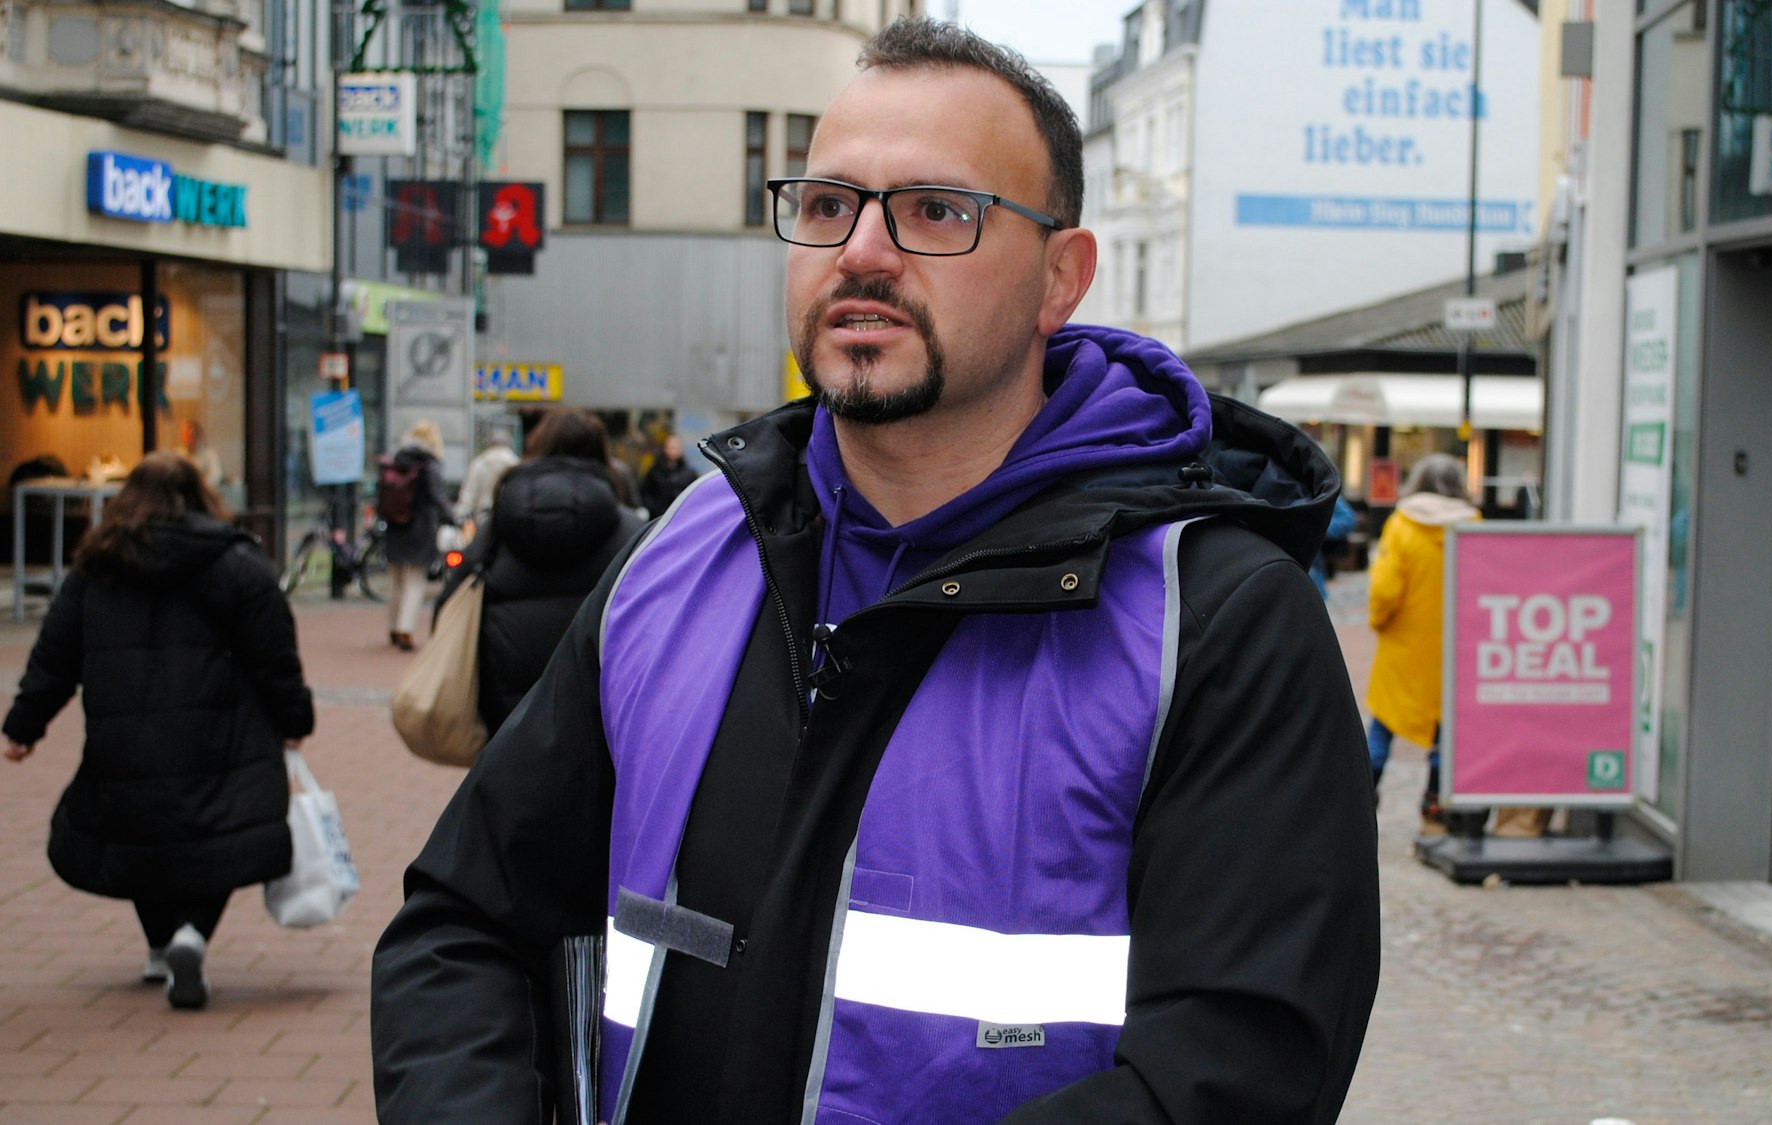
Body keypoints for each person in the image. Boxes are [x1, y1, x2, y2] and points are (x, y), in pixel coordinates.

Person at [372, 19, 1378, 1125]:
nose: (860, 250)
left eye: (935, 212)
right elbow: (462, 924)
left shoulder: (1218, 622)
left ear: (1059, 278)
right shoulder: (685, 553)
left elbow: (1235, 1080)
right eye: (825, 204)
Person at [2, 452, 313, 1010]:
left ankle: (157, 945)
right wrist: (294, 720)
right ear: (200, 496)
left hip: (123, 732)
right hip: (219, 729)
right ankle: (192, 932)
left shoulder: (98, 566)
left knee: (138, 828)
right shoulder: (235, 562)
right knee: (220, 829)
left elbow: (55, 654)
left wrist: (24, 726)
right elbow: (274, 653)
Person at [436, 409, 645, 733]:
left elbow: (451, 601)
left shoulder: (497, 526)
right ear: (602, 452)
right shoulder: (633, 532)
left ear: (537, 448)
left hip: (504, 710)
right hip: (598, 710)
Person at [1364, 453, 1481, 828]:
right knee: (1446, 730)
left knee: (1383, 723)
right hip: (1457, 649)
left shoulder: (1403, 523)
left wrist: (1378, 621)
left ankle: (1362, 795)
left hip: (1405, 646)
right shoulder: (1473, 525)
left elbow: (1384, 590)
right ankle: (1436, 805)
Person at [381, 420, 453, 651]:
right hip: (421, 529)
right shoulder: (428, 464)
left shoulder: (397, 459)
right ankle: (405, 630)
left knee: (396, 580)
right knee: (415, 581)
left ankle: (393, 627)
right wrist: (454, 518)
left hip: (395, 527)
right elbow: (437, 496)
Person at [455, 424, 521, 525]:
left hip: (482, 517)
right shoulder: (515, 464)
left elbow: (469, 493)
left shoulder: (479, 463)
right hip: (508, 517)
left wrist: (459, 515)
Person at [638, 431, 699, 517]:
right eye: (671, 447)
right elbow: (645, 492)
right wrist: (653, 508)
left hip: (682, 516)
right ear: (665, 448)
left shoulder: (689, 473)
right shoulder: (655, 471)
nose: (673, 451)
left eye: (676, 448)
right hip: (658, 517)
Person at [178, 419, 223, 489]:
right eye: (185, 434)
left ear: (199, 436)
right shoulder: (179, 454)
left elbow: (215, 477)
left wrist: (197, 484)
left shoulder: (210, 455)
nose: (189, 438)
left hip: (202, 492)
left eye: (192, 435)